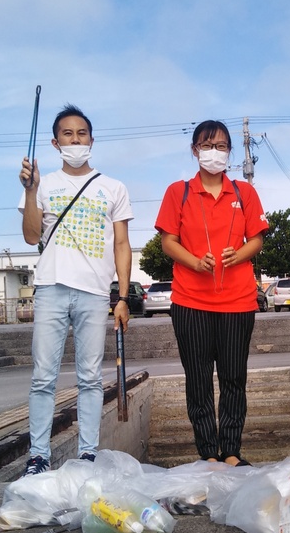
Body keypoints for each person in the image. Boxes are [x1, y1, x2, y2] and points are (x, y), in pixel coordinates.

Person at [18, 104, 133, 476]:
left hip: (95, 292)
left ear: (92, 140)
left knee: (90, 377)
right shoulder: (42, 183)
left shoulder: (113, 187)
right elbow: (31, 235)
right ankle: (38, 456)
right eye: (67, 134)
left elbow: (121, 245)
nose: (75, 139)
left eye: (81, 133)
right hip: (50, 287)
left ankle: (87, 454)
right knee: (43, 377)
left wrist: (123, 296)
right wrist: (32, 190)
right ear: (55, 142)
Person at [155, 120, 268, 466]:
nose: (214, 153)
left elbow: (258, 240)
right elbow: (167, 242)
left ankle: (231, 451)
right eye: (207, 146)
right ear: (194, 150)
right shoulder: (179, 192)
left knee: (234, 378)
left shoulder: (244, 193)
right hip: (191, 302)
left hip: (237, 301)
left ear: (230, 152)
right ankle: (208, 454)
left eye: (221, 146)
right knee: (199, 380)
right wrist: (194, 262)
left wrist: (239, 254)